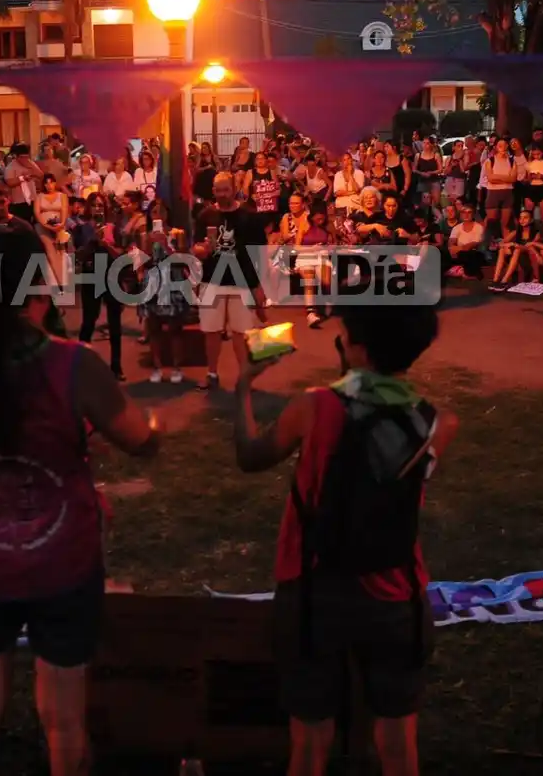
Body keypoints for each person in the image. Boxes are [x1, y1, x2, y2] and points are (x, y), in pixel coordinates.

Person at [0, 226, 157, 776]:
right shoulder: (73, 362)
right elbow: (141, 441)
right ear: (38, 283)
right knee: (65, 724)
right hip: (61, 560)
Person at [232, 304, 456, 776]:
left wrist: (243, 385)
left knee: (310, 745)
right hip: (396, 594)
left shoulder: (315, 406)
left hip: (313, 590)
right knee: (398, 744)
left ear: (354, 345)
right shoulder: (436, 422)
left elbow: (251, 456)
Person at [193, 171, 268, 390]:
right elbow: (195, 248)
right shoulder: (205, 215)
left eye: (226, 189)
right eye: (218, 190)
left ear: (234, 188)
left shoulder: (249, 216)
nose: (222, 194)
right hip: (211, 280)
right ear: (213, 191)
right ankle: (212, 374)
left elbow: (260, 253)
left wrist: (260, 285)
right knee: (211, 330)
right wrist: (202, 249)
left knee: (241, 332)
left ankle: (244, 377)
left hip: (242, 281)